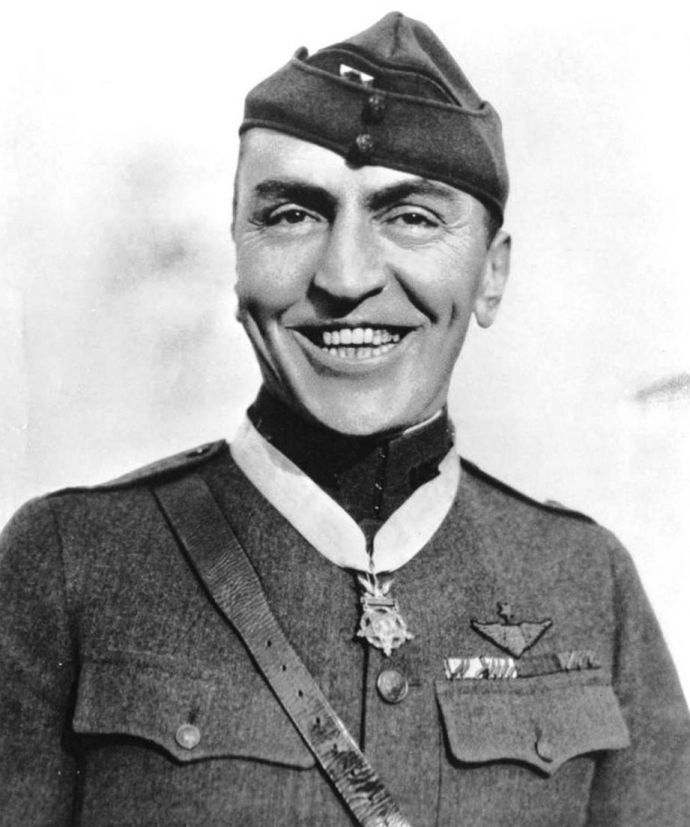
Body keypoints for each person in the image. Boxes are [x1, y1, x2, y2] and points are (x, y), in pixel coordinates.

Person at [1, 12, 688, 826]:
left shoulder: (587, 581)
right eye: (293, 214)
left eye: (411, 217)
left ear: (492, 274)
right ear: (237, 250)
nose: (346, 275)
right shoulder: (69, 563)